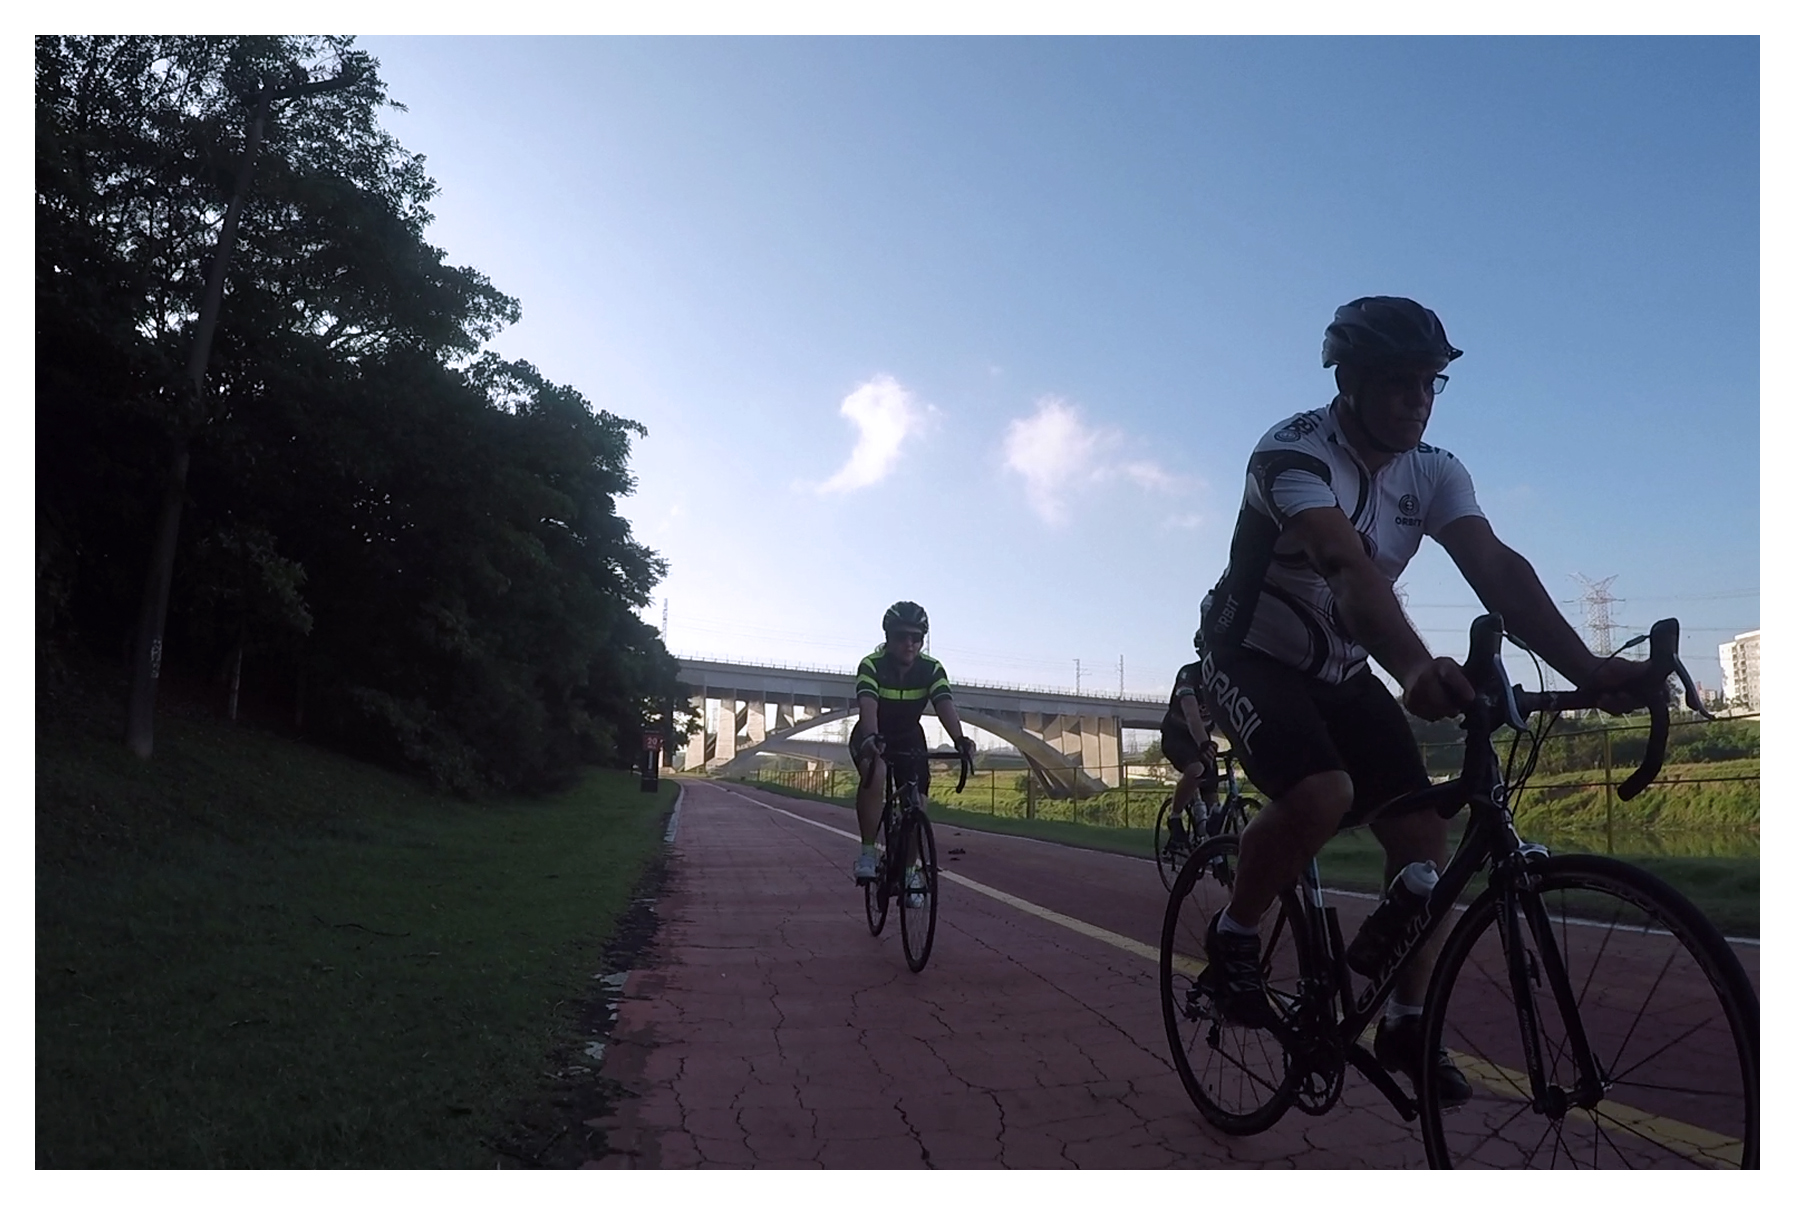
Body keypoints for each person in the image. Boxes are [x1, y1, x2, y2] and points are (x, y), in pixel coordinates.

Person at [1196, 296, 1654, 1106]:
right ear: (1348, 380)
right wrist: (1411, 664)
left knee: (1423, 844)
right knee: (1322, 792)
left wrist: (1587, 668)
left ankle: (1406, 1023)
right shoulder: (1291, 453)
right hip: (1248, 655)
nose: (1417, 400)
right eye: (1398, 382)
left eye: (1429, 382)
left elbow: (1496, 568)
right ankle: (1234, 937)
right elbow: (1344, 568)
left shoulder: (1434, 470)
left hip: (1341, 669)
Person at [849, 601, 978, 905]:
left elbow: (944, 704)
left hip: (909, 736)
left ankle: (909, 872)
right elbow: (868, 705)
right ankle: (867, 853)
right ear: (888, 637)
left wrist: (960, 739)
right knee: (877, 772)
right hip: (873, 731)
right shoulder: (872, 665)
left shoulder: (931, 669)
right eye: (901, 636)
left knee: (918, 802)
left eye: (916, 637)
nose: (909, 643)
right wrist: (872, 737)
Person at [1160, 627, 1220, 854]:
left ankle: (1215, 851)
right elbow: (1192, 714)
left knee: (1213, 799)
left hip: (1202, 737)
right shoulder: (1189, 674)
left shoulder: (1223, 678)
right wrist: (1204, 743)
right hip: (1177, 736)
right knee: (1196, 768)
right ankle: (1175, 818)